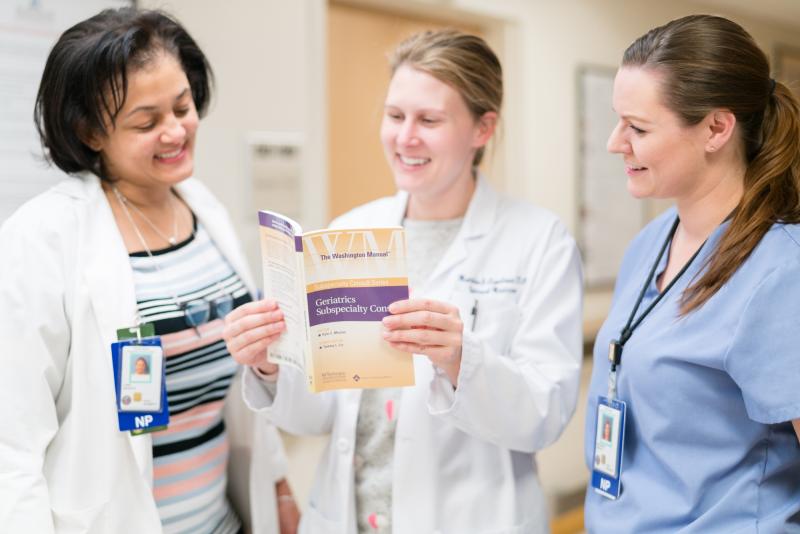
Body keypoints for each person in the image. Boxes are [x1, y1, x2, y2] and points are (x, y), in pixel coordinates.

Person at [224, 29, 583, 533]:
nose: (405, 137)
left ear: (483, 128)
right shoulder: (350, 232)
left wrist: (461, 359)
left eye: (429, 120)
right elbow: (319, 415)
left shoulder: (539, 242)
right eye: (395, 116)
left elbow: (543, 417)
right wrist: (269, 367)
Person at [0, 8, 299, 534]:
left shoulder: (202, 206)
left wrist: (275, 480)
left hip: (223, 519)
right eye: (147, 121)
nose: (175, 131)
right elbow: (12, 445)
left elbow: (238, 379)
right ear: (90, 131)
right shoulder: (43, 237)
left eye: (182, 107)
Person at [584, 14, 800, 532]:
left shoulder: (781, 270)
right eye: (619, 121)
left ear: (716, 128)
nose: (616, 142)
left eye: (637, 127)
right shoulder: (649, 244)